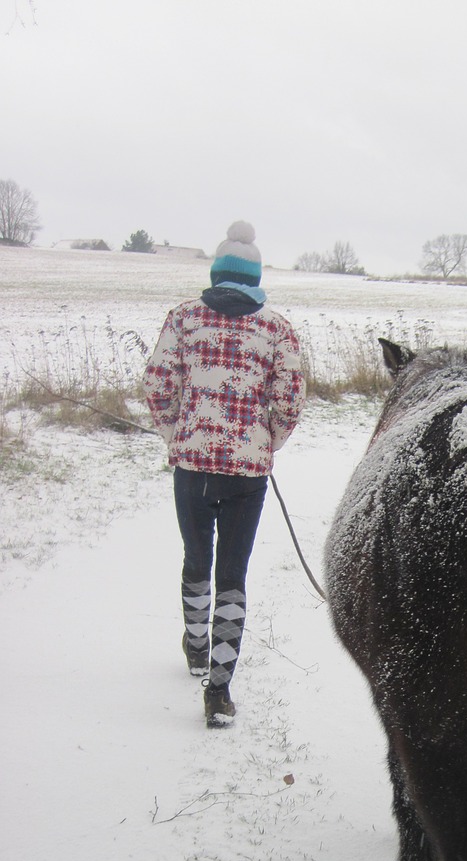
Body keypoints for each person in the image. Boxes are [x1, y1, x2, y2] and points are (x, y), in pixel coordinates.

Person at [144, 221, 305, 728]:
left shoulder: (184, 319)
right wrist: (265, 442)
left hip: (192, 469)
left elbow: (157, 384)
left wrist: (177, 435)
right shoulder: (276, 328)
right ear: (255, 277)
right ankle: (219, 690)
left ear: (216, 274)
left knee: (197, 557)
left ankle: (195, 647)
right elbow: (289, 400)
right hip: (246, 476)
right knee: (232, 575)